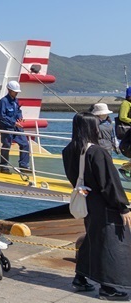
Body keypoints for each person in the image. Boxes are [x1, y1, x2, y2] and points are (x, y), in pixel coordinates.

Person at [63, 112, 131, 300]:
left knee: (93, 238)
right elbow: (109, 182)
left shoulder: (69, 150)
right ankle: (108, 288)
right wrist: (123, 207)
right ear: (92, 128)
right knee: (111, 243)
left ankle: (81, 277)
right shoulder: (97, 152)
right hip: (104, 204)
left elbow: (73, 177)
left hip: (86, 201)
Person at [0, 80, 31, 173]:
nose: (16, 93)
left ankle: (24, 165)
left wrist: (20, 118)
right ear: (9, 90)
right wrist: (13, 123)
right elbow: (1, 116)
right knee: (6, 145)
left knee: (25, 144)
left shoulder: (16, 101)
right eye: (15, 91)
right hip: (6, 127)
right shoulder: (3, 101)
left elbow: (18, 111)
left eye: (17, 92)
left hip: (16, 127)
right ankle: (3, 166)